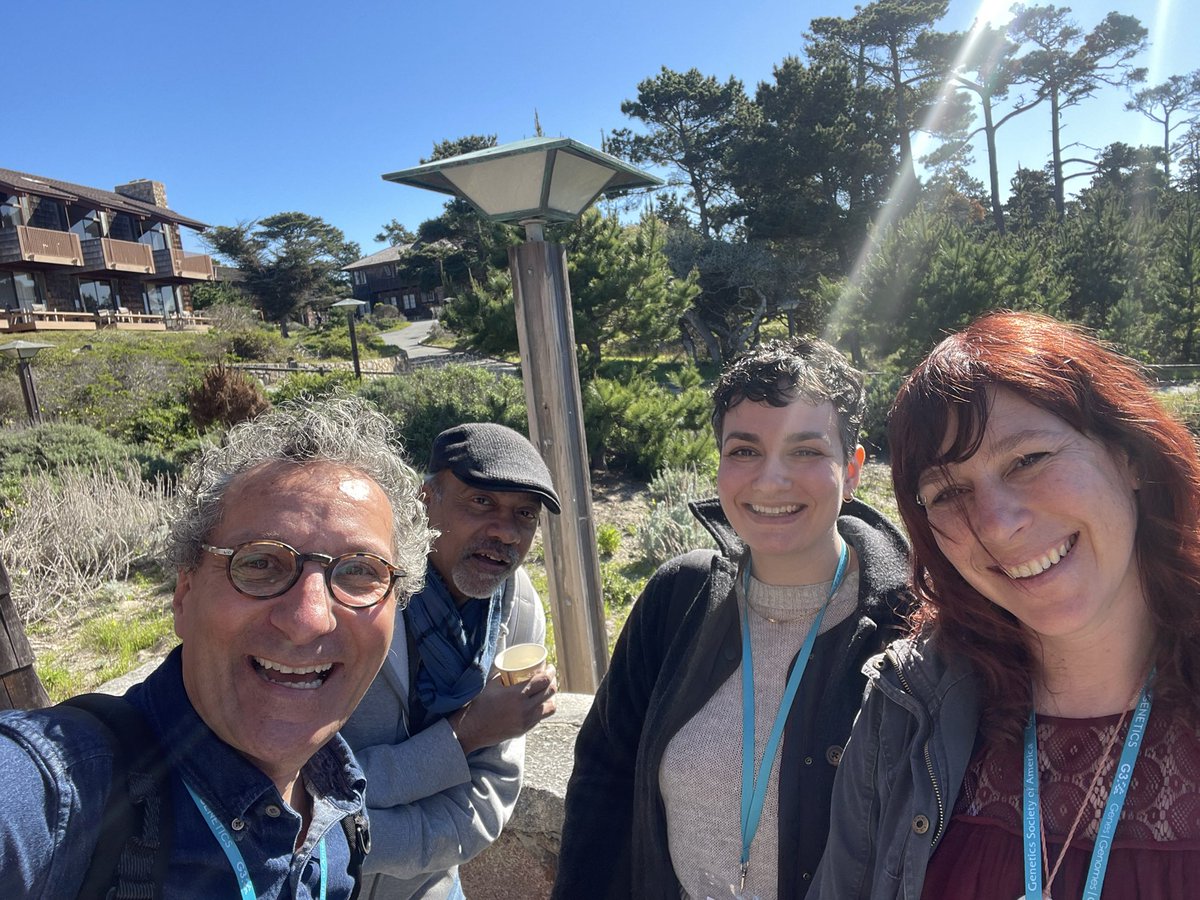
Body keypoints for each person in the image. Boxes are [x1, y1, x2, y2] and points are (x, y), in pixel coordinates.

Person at [811, 311, 1200, 900]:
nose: (997, 524)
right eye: (950, 493)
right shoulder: (905, 709)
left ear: (1130, 456)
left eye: (1028, 459)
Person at [0, 396, 432, 899]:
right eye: (260, 564)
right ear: (184, 593)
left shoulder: (335, 810)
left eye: (360, 571)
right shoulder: (59, 792)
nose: (307, 620)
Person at [553, 337, 914, 900]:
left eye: (805, 451)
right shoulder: (678, 599)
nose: (771, 480)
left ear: (854, 468)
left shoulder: (908, 628)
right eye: (744, 450)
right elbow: (604, 780)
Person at [342, 423, 560, 899]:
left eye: (524, 513)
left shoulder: (518, 608)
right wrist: (466, 734)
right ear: (425, 500)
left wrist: (356, 841)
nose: (504, 530)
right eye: (481, 501)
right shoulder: (353, 603)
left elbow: (487, 796)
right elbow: (307, 788)